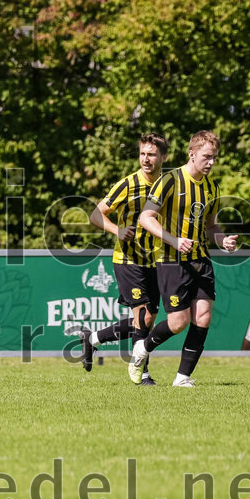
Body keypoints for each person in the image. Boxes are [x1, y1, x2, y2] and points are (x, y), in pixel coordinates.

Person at [131, 131, 238, 387]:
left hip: (201, 258)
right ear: (192, 153)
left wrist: (222, 240)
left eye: (214, 158)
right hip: (171, 259)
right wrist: (174, 240)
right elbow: (145, 218)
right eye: (207, 157)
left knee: (203, 317)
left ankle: (182, 378)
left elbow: (211, 227)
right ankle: (142, 349)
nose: (211, 162)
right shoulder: (170, 180)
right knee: (178, 323)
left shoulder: (212, 187)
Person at [82, 133, 168, 385]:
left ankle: (93, 338)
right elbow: (96, 214)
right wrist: (117, 230)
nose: (146, 159)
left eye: (151, 154)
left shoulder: (169, 184)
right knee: (142, 316)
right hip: (128, 258)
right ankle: (143, 374)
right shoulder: (128, 184)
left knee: (147, 320)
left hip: (158, 260)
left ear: (163, 157)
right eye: (142, 153)